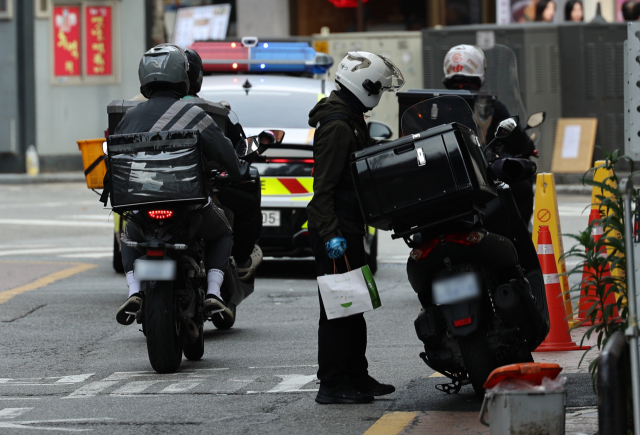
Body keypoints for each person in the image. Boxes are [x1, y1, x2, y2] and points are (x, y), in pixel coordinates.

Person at [114, 44, 250, 326]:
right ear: (183, 76)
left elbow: (114, 167)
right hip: (188, 207)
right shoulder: (195, 115)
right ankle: (213, 292)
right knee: (223, 231)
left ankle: (134, 290)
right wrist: (238, 170)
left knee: (127, 234)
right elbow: (226, 155)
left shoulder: (129, 118)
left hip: (142, 208)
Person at [307, 51, 404, 405]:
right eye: (377, 86)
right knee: (338, 311)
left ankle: (357, 376)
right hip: (336, 231)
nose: (378, 92)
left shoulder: (349, 118)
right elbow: (325, 188)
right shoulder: (336, 126)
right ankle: (332, 384)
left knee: (353, 306)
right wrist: (331, 234)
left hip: (348, 226)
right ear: (364, 86)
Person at [183, 48, 263, 281]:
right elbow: (238, 149)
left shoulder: (144, 113)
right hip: (203, 193)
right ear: (197, 77)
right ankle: (241, 261)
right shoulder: (214, 113)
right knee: (246, 208)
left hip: (153, 192)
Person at [442, 44, 536, 225]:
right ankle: (518, 239)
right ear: (480, 72)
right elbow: (519, 141)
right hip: (482, 177)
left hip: (446, 176)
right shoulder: (491, 106)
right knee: (523, 190)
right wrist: (528, 147)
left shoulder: (436, 105)